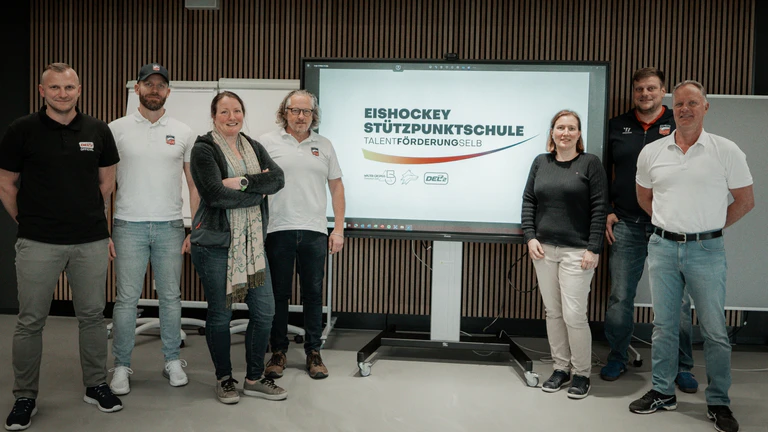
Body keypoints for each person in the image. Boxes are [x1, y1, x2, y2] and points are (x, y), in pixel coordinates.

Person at [0, 63, 123, 431]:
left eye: (69, 87)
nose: (62, 94)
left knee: (92, 316)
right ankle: (25, 396)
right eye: (54, 87)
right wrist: (28, 221)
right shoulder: (22, 130)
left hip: (90, 240)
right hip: (38, 241)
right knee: (30, 321)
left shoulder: (98, 130)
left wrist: (86, 216)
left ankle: (96, 385)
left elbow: (107, 182)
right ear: (42, 91)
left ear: (79, 90)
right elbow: (6, 184)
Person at [630, 81, 754, 432]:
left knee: (714, 330)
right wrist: (672, 225)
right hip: (663, 247)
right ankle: (662, 392)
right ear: (673, 108)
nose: (685, 109)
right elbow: (644, 197)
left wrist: (707, 228)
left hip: (706, 250)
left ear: (705, 107)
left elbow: (745, 201)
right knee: (664, 326)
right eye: (679, 104)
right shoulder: (652, 152)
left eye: (692, 103)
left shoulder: (725, 150)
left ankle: (718, 402)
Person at [601, 67, 697, 392]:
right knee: (620, 297)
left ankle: (682, 365)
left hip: (668, 226)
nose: (645, 94)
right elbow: (602, 172)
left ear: (663, 91)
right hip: (626, 223)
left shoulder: (679, 123)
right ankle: (617, 356)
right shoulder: (617, 126)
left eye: (651, 88)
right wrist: (608, 210)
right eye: (640, 89)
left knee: (677, 301)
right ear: (633, 92)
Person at [107, 63, 199, 395]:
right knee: (126, 300)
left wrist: (194, 228)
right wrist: (103, 230)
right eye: (149, 84)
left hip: (170, 226)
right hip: (127, 226)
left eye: (161, 85)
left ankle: (172, 360)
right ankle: (121, 365)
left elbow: (194, 185)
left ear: (168, 91)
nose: (155, 89)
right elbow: (104, 185)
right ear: (137, 89)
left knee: (171, 298)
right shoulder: (115, 130)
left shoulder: (184, 132)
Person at [190, 91, 286, 404]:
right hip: (216, 245)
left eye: (237, 111)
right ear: (214, 116)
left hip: (253, 244)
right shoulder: (204, 149)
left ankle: (254, 378)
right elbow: (214, 195)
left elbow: (278, 180)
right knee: (221, 314)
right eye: (224, 112)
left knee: (265, 311)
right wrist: (257, 191)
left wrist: (241, 182)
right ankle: (224, 379)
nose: (232, 117)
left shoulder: (254, 146)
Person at [521, 109, 608, 399]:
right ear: (552, 132)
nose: (565, 133)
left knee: (574, 315)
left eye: (571, 128)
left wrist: (594, 248)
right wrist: (530, 237)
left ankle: (581, 373)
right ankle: (560, 368)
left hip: (577, 252)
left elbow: (599, 208)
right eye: (560, 127)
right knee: (553, 312)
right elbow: (528, 201)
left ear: (579, 133)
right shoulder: (540, 162)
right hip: (544, 250)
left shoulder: (590, 163)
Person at [260, 90, 345, 380]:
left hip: (314, 231)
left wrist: (338, 229)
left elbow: (336, 187)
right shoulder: (267, 142)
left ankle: (313, 352)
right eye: (295, 110)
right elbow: (256, 186)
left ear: (313, 115)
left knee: (313, 294)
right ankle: (278, 352)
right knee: (278, 295)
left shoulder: (325, 145)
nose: (300, 116)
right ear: (284, 112)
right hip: (277, 229)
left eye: (306, 111)